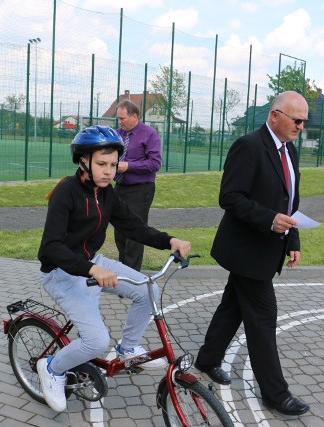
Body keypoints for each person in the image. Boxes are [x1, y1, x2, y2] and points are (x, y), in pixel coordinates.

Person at [37, 125, 191, 412]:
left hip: (91, 263)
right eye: (101, 164)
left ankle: (129, 348)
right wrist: (92, 270)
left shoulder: (107, 194)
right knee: (96, 342)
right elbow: (51, 248)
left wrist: (169, 240)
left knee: (149, 289)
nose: (109, 171)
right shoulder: (65, 192)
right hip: (60, 273)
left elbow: (134, 225)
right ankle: (51, 368)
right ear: (83, 161)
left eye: (112, 164)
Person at [195, 91, 310, 416]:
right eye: (296, 119)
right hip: (246, 251)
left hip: (269, 247)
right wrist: (268, 219)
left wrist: (293, 240)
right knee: (263, 319)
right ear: (275, 115)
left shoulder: (290, 152)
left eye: (304, 121)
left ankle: (207, 359)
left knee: (232, 307)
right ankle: (276, 393)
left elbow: (290, 203)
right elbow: (230, 197)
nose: (301, 126)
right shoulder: (248, 146)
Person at [113, 99, 162, 271]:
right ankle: (122, 273)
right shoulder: (118, 134)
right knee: (119, 231)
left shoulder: (149, 134)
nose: (119, 122)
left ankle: (131, 279)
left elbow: (155, 163)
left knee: (134, 234)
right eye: (118, 118)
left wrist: (128, 166)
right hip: (120, 187)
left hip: (140, 189)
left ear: (135, 116)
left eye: (122, 118)